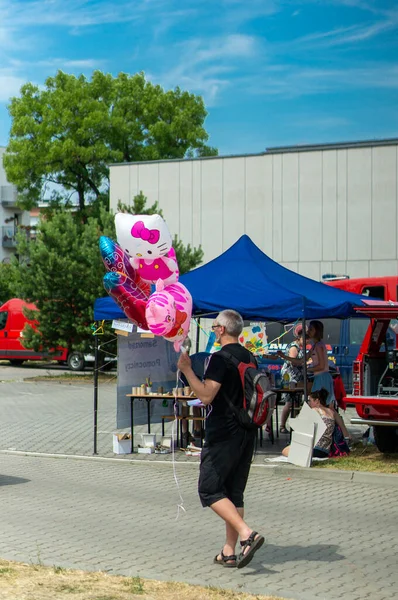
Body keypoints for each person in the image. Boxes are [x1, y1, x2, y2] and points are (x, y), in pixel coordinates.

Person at [177, 310, 264, 569]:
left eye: (215, 326)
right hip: (247, 432)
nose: (214, 329)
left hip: (224, 433)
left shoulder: (220, 358)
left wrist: (187, 370)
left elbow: (205, 396)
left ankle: (247, 535)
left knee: (209, 489)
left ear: (223, 330)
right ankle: (229, 551)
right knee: (234, 493)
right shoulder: (250, 356)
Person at [278, 320, 350, 439]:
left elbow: (322, 366)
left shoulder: (320, 345)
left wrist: (308, 369)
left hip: (322, 378)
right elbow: (301, 361)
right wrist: (284, 357)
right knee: (319, 407)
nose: (308, 332)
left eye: (310, 329)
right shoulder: (315, 345)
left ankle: (341, 434)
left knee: (325, 407)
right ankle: (325, 434)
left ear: (316, 331)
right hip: (318, 378)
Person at [282, 388, 335, 458]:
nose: (309, 403)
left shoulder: (315, 410)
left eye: (310, 401)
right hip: (325, 450)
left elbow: (300, 423)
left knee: (285, 450)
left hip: (314, 448)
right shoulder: (331, 412)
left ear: (317, 401)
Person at [279, 324, 304, 433]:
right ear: (299, 337)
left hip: (297, 377)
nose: (307, 341)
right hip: (290, 377)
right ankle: (282, 426)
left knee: (296, 403)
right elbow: (293, 361)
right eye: (305, 339)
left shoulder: (300, 347)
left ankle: (294, 426)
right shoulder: (294, 347)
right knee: (289, 402)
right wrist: (305, 362)